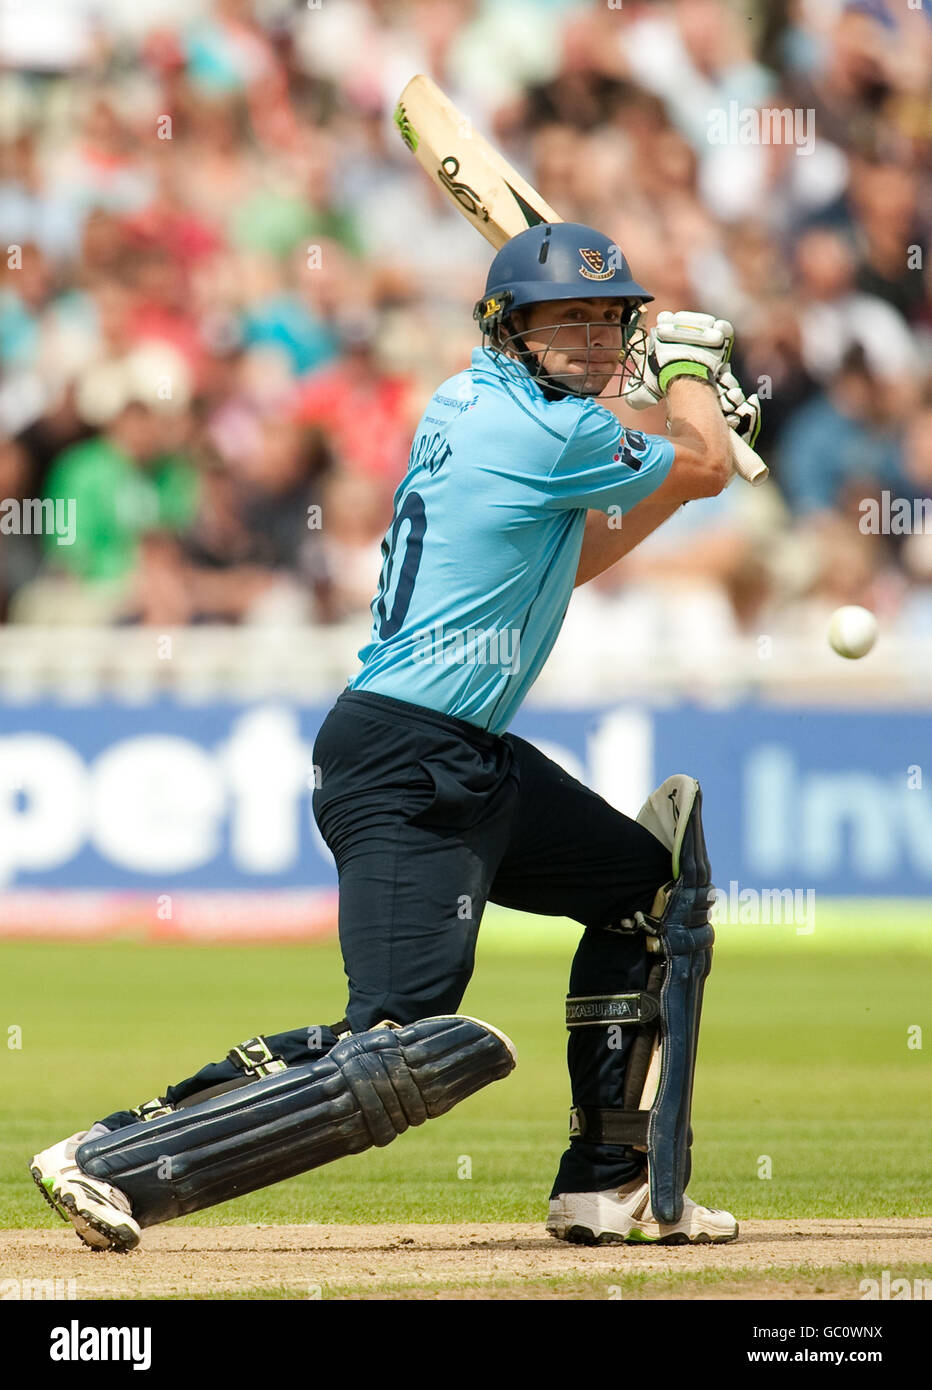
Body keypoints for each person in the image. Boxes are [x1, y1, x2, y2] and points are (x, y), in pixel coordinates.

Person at [31, 223, 748, 1250]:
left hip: (465, 752)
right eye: (567, 318)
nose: (593, 336)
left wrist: (688, 452)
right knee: (395, 1044)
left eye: (608, 316)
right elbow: (705, 463)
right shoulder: (548, 435)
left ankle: (606, 1182)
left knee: (645, 894)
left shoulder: (475, 403)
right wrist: (692, 383)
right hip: (406, 758)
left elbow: (577, 555)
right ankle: (108, 1153)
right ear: (510, 328)